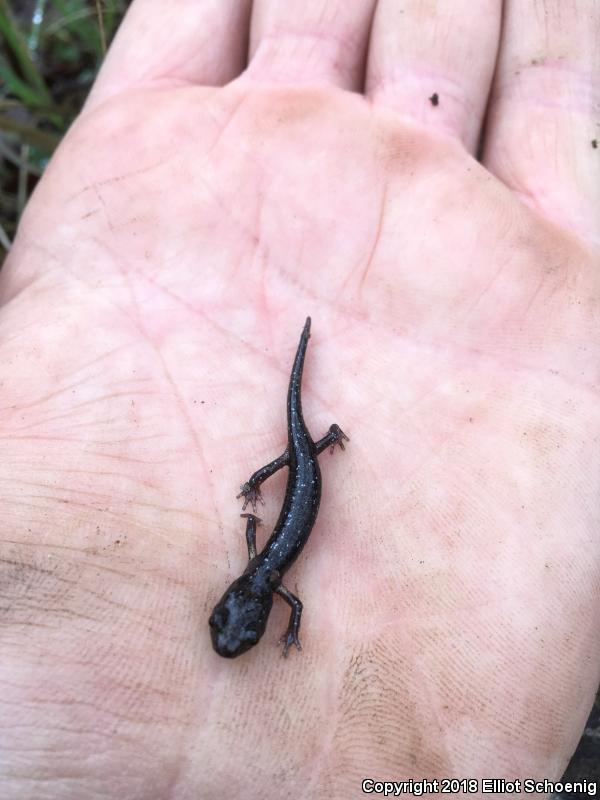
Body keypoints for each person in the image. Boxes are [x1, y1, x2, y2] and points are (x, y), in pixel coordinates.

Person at [2, 2, 599, 798]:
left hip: (304, 474)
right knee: (299, 454)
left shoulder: (270, 575)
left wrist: (270, 507)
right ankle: (315, 426)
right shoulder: (266, 575)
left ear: (237, 598)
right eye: (238, 627)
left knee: (299, 454)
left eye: (231, 623)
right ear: (241, 601)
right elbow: (293, 595)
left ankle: (316, 422)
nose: (237, 623)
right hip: (303, 475)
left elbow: (292, 595)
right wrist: (269, 503)